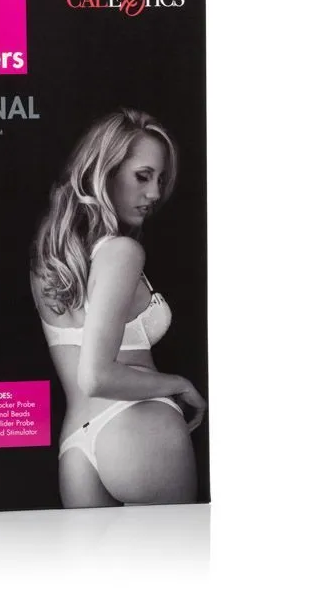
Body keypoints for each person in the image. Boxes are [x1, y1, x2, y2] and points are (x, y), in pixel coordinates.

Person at [29, 107, 207, 508]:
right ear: (105, 171)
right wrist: (179, 384)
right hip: (137, 428)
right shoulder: (122, 252)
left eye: (160, 179)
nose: (155, 193)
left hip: (75, 450)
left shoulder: (50, 260)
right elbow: (96, 376)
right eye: (143, 176)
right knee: (178, 551)